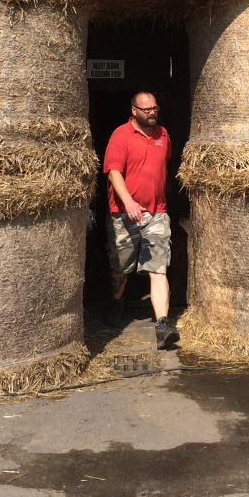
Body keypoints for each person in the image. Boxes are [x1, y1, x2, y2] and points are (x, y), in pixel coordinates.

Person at [103, 91, 179, 349]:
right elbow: (114, 173)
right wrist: (129, 201)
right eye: (146, 109)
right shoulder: (120, 135)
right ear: (133, 110)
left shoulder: (163, 135)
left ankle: (163, 325)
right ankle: (117, 301)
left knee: (158, 269)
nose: (152, 113)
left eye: (155, 108)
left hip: (157, 212)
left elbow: (162, 169)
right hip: (124, 213)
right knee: (120, 268)